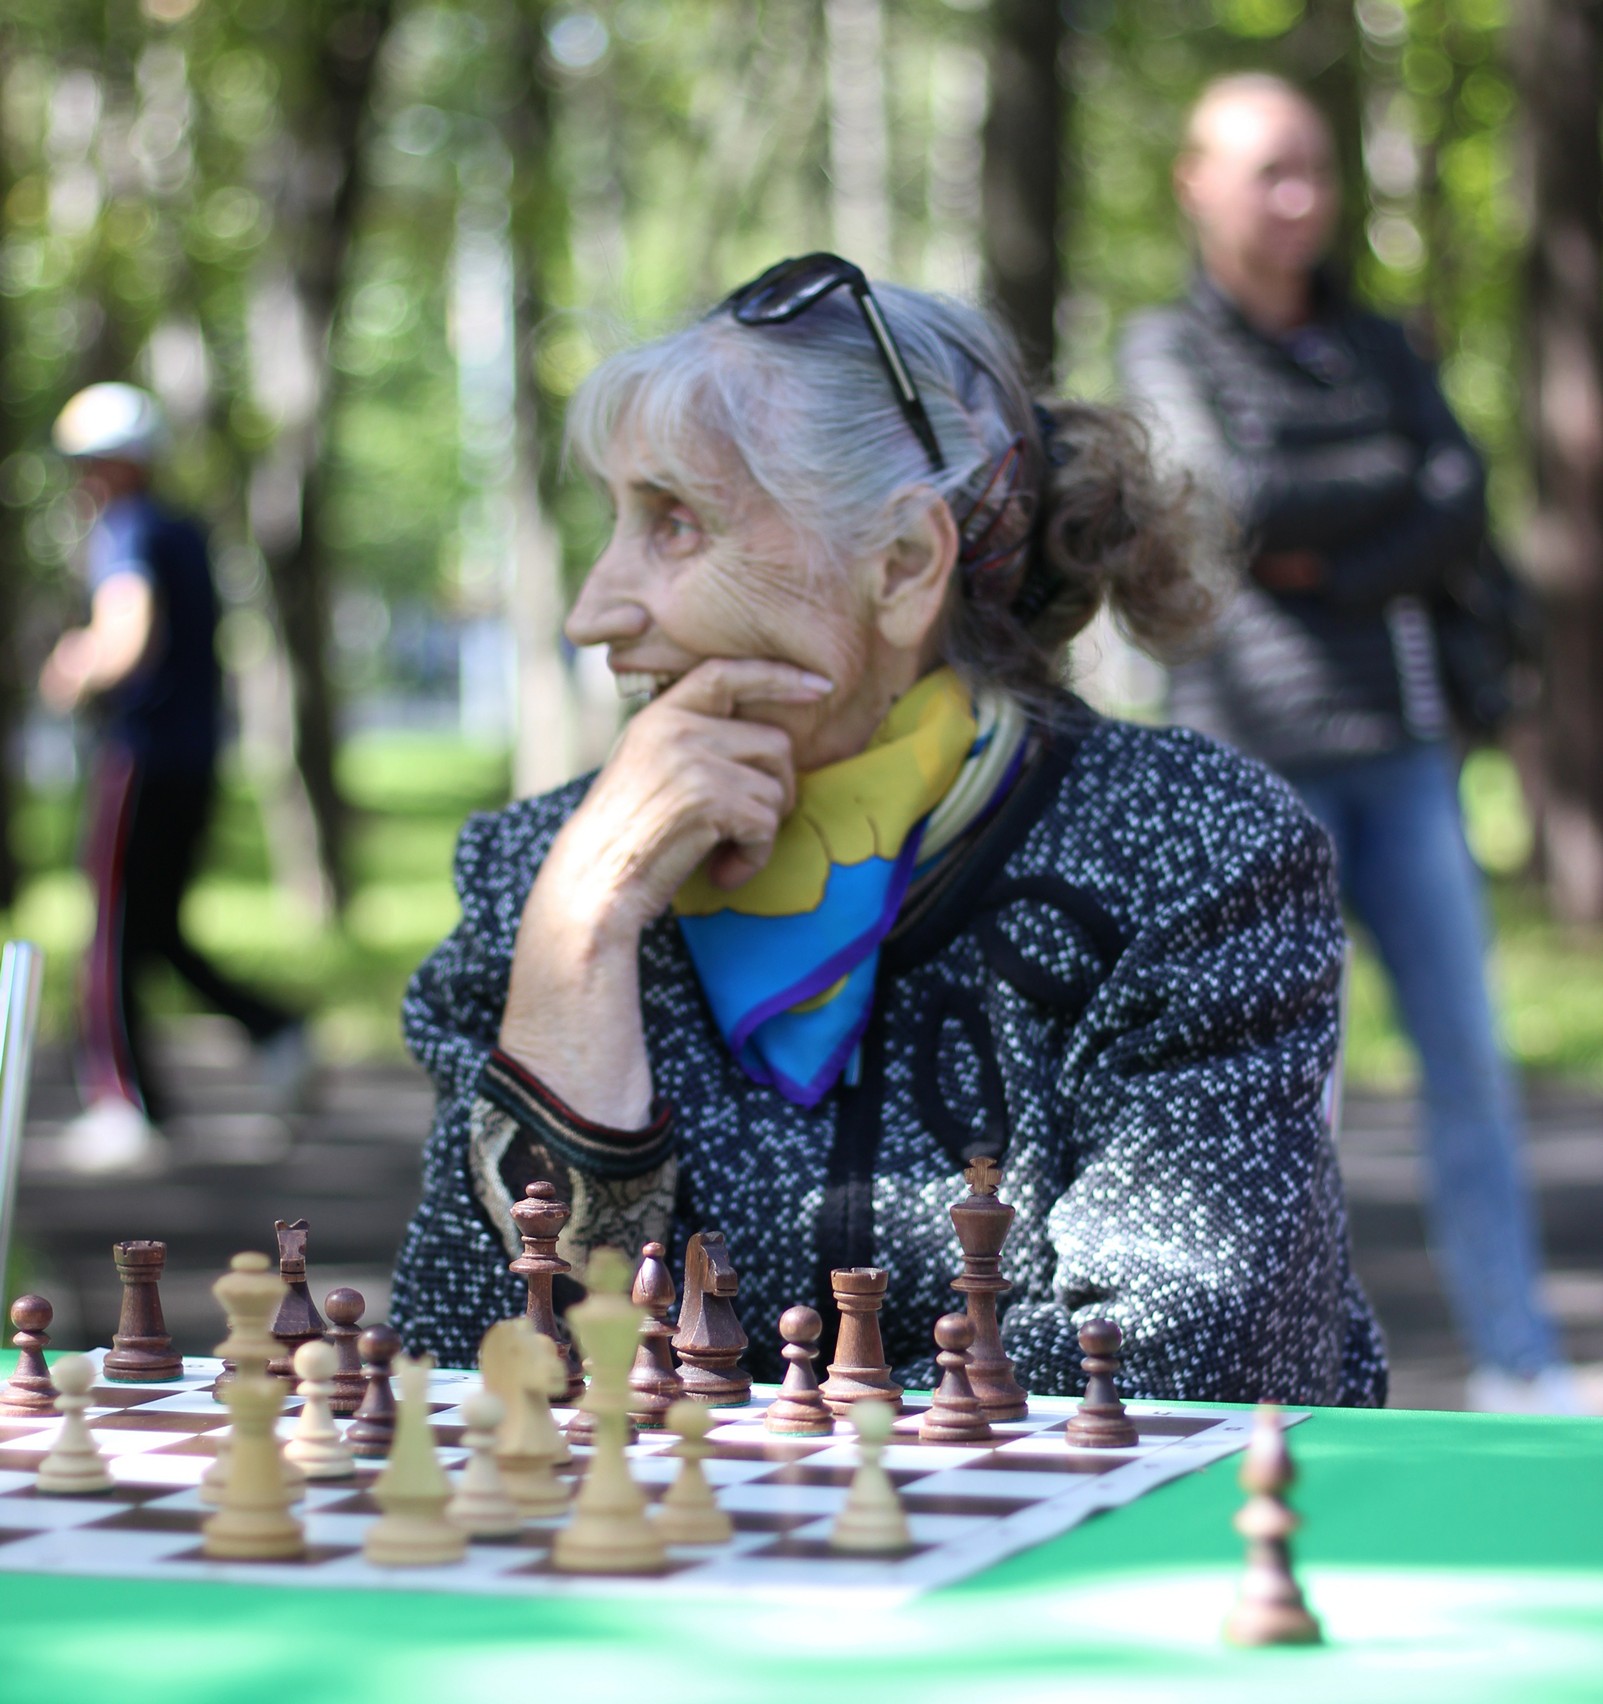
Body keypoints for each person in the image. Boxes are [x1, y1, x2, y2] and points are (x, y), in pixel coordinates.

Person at [391, 253, 1386, 1406]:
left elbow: (1177, 1364)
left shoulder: (1191, 852)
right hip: (660, 1572)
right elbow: (466, 1374)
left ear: (903, 565)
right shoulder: (542, 873)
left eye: (672, 526)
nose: (594, 609)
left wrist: (758, 1452)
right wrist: (578, 936)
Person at [1118, 74, 1580, 1414]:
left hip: (1402, 745)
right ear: (1193, 183)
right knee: (1276, 1092)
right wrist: (1372, 492)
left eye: (1311, 167)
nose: (1297, 196)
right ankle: (1283, 1378)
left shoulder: (1376, 344)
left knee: (1467, 1069)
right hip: (1253, 760)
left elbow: (1461, 495)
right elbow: (1236, 503)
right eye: (1266, 170)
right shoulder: (1164, 349)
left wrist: (1327, 540)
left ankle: (1516, 1362)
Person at [40, 383, 309, 1174]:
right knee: (155, 926)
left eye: (91, 462)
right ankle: (273, 1029)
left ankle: (123, 1102)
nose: (82, 478)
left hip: (143, 757)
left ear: (124, 462)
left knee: (114, 931)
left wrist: (75, 667)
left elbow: (129, 634)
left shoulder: (127, 530)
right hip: (191, 757)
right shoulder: (183, 531)